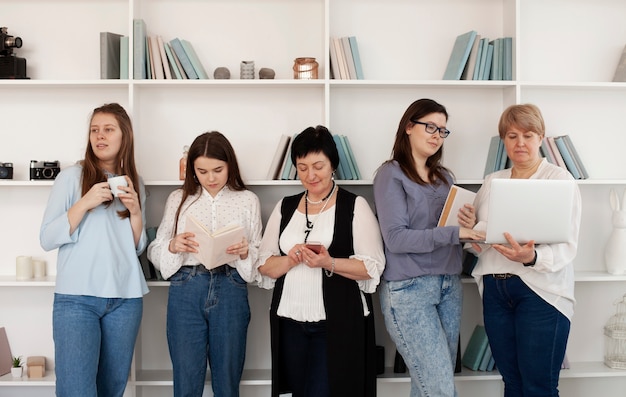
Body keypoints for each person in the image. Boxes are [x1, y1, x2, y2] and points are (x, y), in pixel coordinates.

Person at [257, 125, 385, 397]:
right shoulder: (285, 206)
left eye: (318, 166)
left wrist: (329, 263)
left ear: (333, 165)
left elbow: (372, 267)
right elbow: (264, 265)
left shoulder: (354, 205)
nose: (310, 175)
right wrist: (290, 260)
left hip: (335, 324)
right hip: (289, 322)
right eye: (302, 167)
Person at [469, 104, 582, 397]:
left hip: (540, 292)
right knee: (513, 383)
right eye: (512, 135)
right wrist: (470, 230)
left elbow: (567, 245)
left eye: (528, 135)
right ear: (503, 140)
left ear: (541, 138)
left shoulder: (559, 180)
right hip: (496, 291)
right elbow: (481, 244)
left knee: (539, 387)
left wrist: (531, 257)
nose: (520, 143)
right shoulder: (493, 181)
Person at [373, 98, 480, 397]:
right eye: (430, 126)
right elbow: (395, 238)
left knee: (427, 387)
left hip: (449, 286)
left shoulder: (446, 178)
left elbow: (453, 231)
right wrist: (452, 233)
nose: (436, 135)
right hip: (408, 291)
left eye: (443, 131)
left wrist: (467, 222)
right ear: (409, 127)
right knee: (440, 389)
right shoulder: (390, 174)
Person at [40, 103, 148, 397]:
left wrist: (136, 212)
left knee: (112, 389)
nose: (100, 136)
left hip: (125, 301)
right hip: (77, 300)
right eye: (94, 130)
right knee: (75, 389)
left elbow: (135, 247)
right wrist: (85, 202)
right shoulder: (70, 178)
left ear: (124, 136)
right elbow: (47, 237)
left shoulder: (134, 183)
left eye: (108, 130)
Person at [147, 131, 262, 397]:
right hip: (186, 287)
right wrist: (173, 245)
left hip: (231, 287)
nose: (210, 178)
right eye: (202, 171)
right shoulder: (178, 198)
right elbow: (155, 248)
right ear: (192, 170)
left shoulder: (247, 200)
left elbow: (257, 256)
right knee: (186, 382)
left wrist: (245, 252)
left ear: (230, 165)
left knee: (227, 383)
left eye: (218, 170)